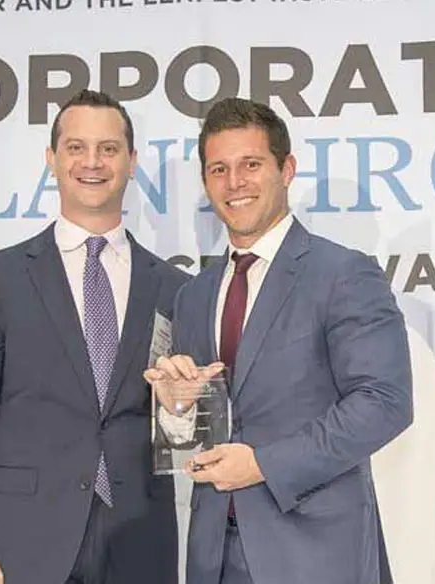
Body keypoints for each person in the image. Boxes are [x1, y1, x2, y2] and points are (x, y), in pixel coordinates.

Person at [144, 97, 414, 584]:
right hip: (213, 556)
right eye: (219, 169)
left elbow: (384, 402)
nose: (234, 182)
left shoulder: (342, 273)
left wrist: (263, 465)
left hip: (315, 554)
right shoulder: (193, 295)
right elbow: (193, 440)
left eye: (251, 164)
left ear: (286, 170)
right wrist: (176, 409)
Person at [0, 89, 189, 584]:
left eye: (108, 149)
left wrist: (182, 407)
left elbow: (181, 429)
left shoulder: (175, 288)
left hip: (141, 539)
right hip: (24, 544)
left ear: (132, 161)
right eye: (76, 147)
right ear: (51, 159)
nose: (92, 162)